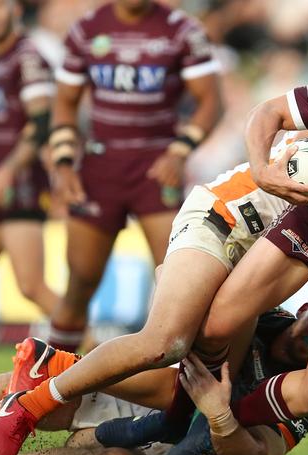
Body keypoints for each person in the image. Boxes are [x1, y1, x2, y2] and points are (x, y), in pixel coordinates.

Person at [0, 122, 308, 455]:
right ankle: (43, 386)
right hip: (225, 222)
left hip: (152, 419)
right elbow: (271, 118)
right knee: (171, 343)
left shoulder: (307, 391)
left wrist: (220, 419)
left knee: (143, 439)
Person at [44, 0, 223, 352]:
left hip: (157, 170)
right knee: (80, 284)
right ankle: (45, 388)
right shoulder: (87, 29)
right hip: (100, 167)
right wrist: (63, 164)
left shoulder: (182, 30)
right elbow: (64, 102)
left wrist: (179, 150)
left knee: (178, 284)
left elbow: (211, 102)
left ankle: (197, 389)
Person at [0, 307, 308, 455]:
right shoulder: (262, 311)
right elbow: (169, 283)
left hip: (171, 438)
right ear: (304, 310)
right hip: (136, 383)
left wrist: (221, 417)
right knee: (13, 392)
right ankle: (63, 368)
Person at [0, 0, 59, 377]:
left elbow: (40, 122)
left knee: (30, 285)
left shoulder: (28, 57)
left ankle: (99, 356)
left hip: (19, 185)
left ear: (13, 9)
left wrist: (6, 172)